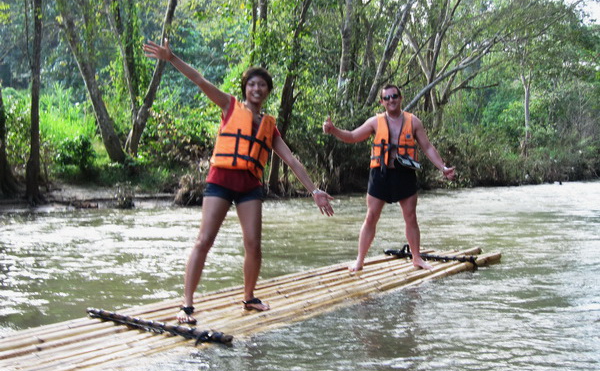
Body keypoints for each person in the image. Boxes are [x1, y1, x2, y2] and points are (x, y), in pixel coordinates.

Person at [144, 38, 334, 324]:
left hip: (249, 187)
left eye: (262, 85)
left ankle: (249, 297)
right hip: (221, 180)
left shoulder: (270, 127)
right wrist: (171, 58)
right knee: (204, 240)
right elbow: (198, 79)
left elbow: (292, 161)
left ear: (268, 91)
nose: (256, 89)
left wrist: (315, 190)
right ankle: (186, 305)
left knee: (254, 244)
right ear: (245, 89)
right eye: (252, 84)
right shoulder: (229, 105)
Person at [322, 84, 455, 272]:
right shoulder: (375, 122)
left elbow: (427, 147)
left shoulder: (414, 121)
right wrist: (334, 130)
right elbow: (352, 136)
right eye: (387, 98)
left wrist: (443, 167)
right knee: (371, 217)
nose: (391, 100)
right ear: (382, 102)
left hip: (405, 174)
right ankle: (359, 260)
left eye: (394, 96)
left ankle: (416, 258)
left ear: (401, 98)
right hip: (381, 174)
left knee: (410, 217)